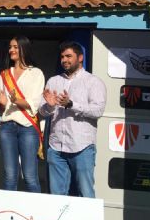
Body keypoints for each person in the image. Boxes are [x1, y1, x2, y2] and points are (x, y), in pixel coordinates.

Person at [39, 41, 107, 198]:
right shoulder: (53, 81)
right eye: (62, 57)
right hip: (56, 147)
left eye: (69, 56)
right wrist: (49, 106)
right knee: (57, 196)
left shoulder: (93, 82)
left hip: (81, 146)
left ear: (80, 57)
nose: (65, 60)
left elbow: (98, 110)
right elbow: (42, 111)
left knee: (85, 193)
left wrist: (71, 104)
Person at [0, 36, 45, 193]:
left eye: (15, 47)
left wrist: (15, 100)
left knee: (30, 176)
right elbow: (1, 106)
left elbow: (35, 103)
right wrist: (2, 103)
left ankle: (35, 215)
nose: (11, 50)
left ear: (24, 48)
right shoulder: (4, 74)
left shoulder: (36, 73)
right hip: (7, 127)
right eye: (10, 47)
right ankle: (9, 214)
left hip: (27, 127)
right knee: (10, 176)